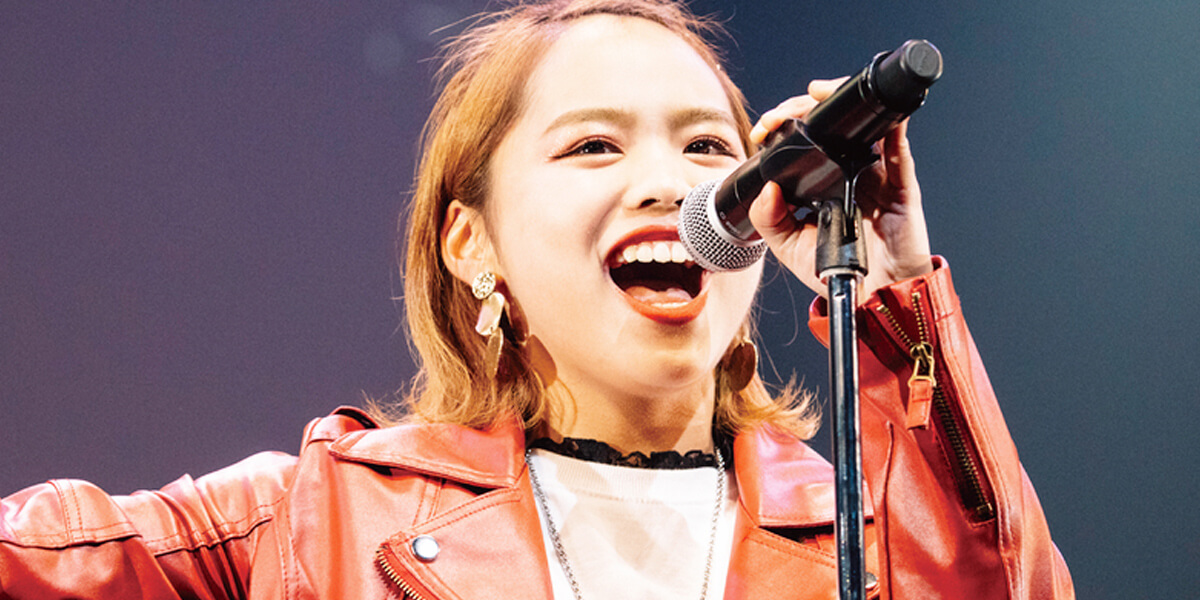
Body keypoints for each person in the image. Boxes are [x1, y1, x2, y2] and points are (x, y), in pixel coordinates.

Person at [0, 0, 1073, 598]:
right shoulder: (314, 520)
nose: (669, 184)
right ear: (473, 245)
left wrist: (889, 292)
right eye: (594, 145)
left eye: (708, 148)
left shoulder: (865, 542)